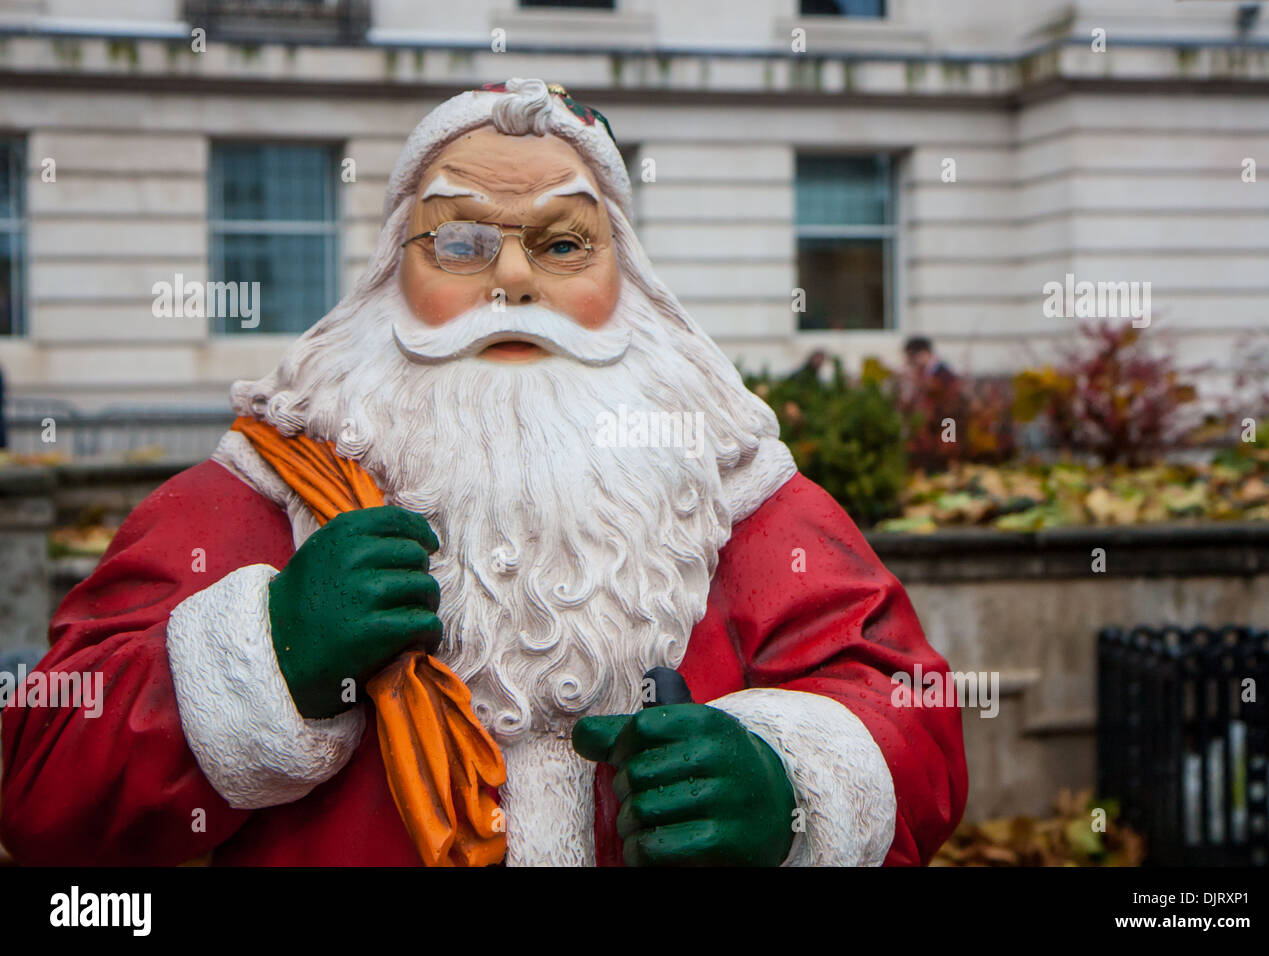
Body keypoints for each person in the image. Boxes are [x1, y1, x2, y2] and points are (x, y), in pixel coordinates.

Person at [1, 79, 966, 867]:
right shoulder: (254, 493)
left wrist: (789, 790)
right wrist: (266, 655)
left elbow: (913, 718)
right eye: (460, 241)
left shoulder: (742, 497)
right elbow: (41, 784)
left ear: (622, 280)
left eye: (561, 244)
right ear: (393, 273)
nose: (511, 281)